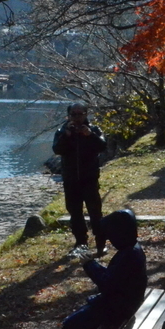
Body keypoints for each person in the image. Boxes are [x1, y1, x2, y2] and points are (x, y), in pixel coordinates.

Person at [14, 209, 147, 329]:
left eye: (112, 235)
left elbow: (107, 284)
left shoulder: (128, 256)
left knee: (76, 324)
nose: (110, 239)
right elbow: (114, 280)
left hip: (118, 309)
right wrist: (93, 265)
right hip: (121, 303)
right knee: (75, 320)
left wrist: (89, 264)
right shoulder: (132, 250)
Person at [53, 102, 108, 257]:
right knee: (75, 212)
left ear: (86, 114)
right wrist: (66, 136)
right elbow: (57, 149)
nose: (77, 118)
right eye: (74, 114)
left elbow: (103, 146)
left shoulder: (94, 130)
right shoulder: (62, 131)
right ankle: (80, 243)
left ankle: (100, 243)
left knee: (95, 212)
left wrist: (90, 135)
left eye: (80, 114)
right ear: (68, 116)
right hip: (70, 180)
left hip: (89, 178)